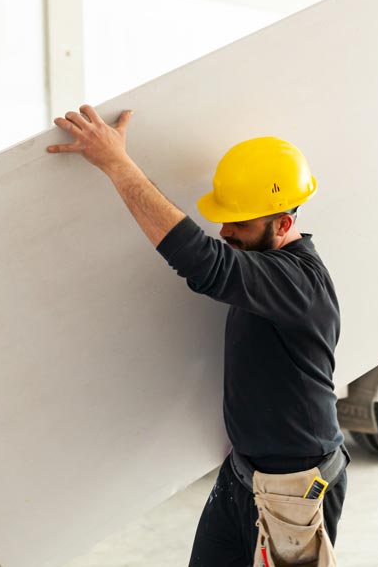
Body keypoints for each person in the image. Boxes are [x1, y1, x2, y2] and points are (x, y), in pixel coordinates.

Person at [47, 105, 347, 566]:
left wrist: (115, 163)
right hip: (244, 475)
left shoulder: (296, 283)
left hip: (294, 491)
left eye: (240, 224)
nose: (225, 232)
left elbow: (203, 262)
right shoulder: (272, 272)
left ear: (284, 224)